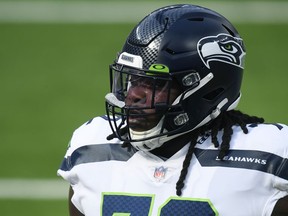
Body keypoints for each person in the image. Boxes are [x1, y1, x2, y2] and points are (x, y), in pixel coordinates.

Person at [57, 4, 288, 216]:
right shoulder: (90, 150)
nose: (133, 95)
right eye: (132, 80)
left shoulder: (266, 160)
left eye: (154, 83)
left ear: (207, 89)